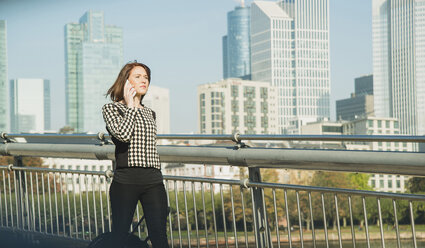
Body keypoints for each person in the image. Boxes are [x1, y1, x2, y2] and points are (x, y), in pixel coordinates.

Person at [102, 61, 169, 248]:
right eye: (137, 76)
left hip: (153, 180)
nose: (143, 80)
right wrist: (131, 106)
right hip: (126, 180)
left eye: (146, 77)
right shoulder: (112, 109)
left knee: (159, 236)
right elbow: (122, 136)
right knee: (119, 237)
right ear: (126, 82)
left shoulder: (150, 113)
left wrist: (136, 107)